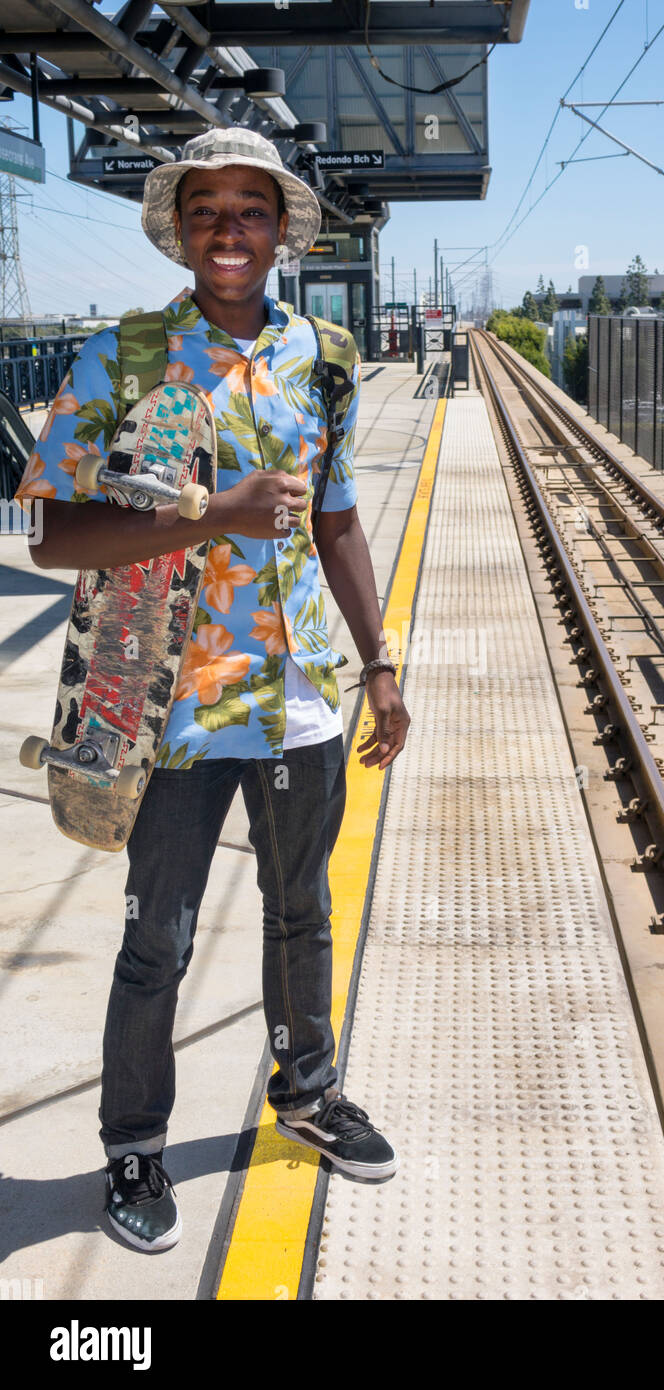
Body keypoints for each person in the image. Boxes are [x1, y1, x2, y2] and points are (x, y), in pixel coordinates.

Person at [15, 126, 411, 1253]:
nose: (228, 229)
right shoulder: (123, 355)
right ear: (180, 230)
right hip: (170, 712)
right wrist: (209, 512)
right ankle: (133, 1143)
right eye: (207, 210)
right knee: (159, 939)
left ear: (282, 229)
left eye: (250, 209)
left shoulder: (323, 355)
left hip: (299, 701)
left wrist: (378, 663)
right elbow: (51, 537)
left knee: (303, 914)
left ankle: (309, 1090)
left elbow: (335, 517)